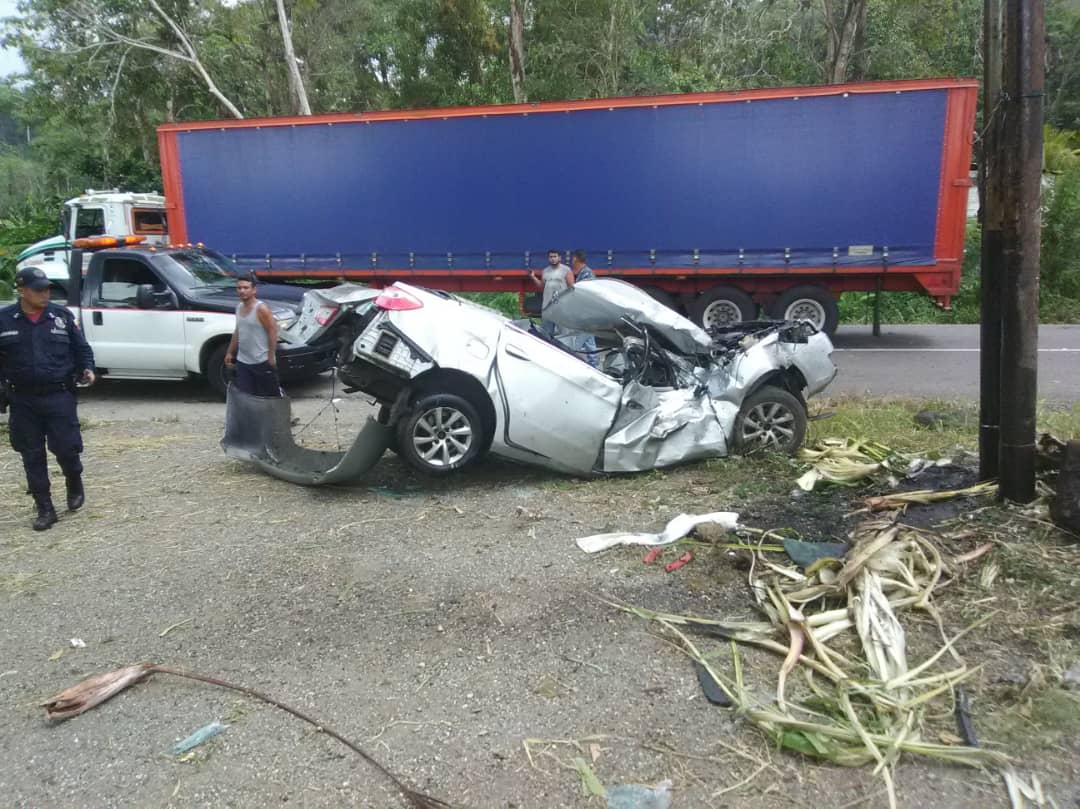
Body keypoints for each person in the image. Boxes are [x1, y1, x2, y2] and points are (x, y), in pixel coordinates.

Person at [0, 266, 95, 530]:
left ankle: (74, 481)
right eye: (38, 289)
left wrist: (87, 369)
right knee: (31, 455)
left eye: (47, 289)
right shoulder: (4, 320)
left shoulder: (61, 316)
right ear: (21, 291)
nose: (45, 294)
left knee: (66, 448)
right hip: (22, 399)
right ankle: (45, 508)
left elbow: (82, 350)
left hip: (58, 395)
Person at [225, 274, 280, 397]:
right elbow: (238, 330)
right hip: (243, 362)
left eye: (246, 288)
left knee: (270, 398)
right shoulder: (239, 308)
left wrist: (271, 357)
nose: (242, 291)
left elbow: (272, 331)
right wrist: (230, 352)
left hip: (261, 361)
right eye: (239, 288)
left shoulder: (261, 309)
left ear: (254, 290)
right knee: (247, 398)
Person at [528, 249, 574, 337]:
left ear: (559, 258)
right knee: (546, 334)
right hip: (547, 308)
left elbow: (572, 288)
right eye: (551, 257)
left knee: (565, 334)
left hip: (561, 309)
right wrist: (533, 277)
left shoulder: (566, 270)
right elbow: (542, 287)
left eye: (555, 256)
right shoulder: (545, 271)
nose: (553, 259)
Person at [569, 249, 598, 367]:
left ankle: (571, 359)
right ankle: (594, 363)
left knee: (579, 340)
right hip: (586, 312)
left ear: (575, 259)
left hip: (586, 312)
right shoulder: (584, 272)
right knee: (589, 339)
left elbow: (585, 293)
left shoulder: (586, 273)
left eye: (572, 258)